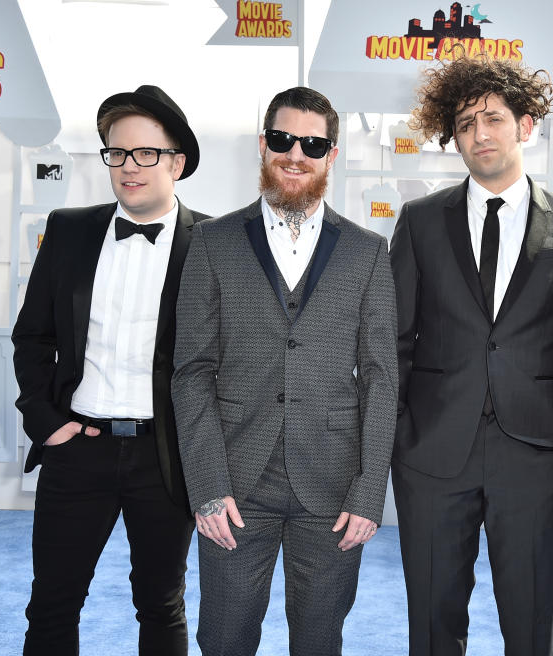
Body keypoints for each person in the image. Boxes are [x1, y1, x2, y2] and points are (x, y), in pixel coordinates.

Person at [171, 86, 397, 656]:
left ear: (332, 155)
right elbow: (191, 371)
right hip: (234, 483)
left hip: (333, 487)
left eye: (313, 144)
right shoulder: (212, 242)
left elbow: (380, 376)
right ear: (263, 145)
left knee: (320, 641)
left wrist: (370, 492)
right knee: (223, 638)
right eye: (283, 139)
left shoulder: (368, 251)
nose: (296, 154)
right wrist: (207, 487)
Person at [389, 55, 553, 656]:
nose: (479, 134)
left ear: (525, 126)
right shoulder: (421, 221)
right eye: (463, 124)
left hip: (532, 454)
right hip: (432, 455)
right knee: (431, 620)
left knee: (530, 623)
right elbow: (396, 340)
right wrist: (404, 435)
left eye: (493, 119)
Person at [12, 84, 205, 655]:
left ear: (177, 162)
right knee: (52, 601)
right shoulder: (69, 230)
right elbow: (32, 336)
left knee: (161, 601)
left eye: (145, 153)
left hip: (165, 456)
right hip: (78, 447)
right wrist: (46, 422)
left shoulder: (214, 244)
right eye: (116, 153)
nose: (128, 167)